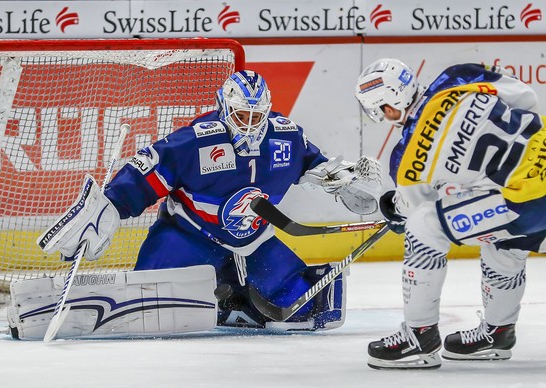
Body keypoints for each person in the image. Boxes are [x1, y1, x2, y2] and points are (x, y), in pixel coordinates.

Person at [29, 70, 382, 337]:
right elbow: (149, 170)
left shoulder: (286, 137)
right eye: (241, 115)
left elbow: (315, 164)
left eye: (256, 116)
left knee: (307, 308)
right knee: (148, 302)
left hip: (253, 241)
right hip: (189, 235)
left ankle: (233, 298)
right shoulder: (197, 141)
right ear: (225, 107)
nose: (249, 125)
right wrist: (112, 205)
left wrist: (346, 181)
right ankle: (222, 290)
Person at [354, 58, 546, 369]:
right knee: (503, 242)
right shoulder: (458, 76)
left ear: (386, 109)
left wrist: (393, 208)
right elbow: (526, 98)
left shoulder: (406, 159)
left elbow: (414, 210)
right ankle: (497, 334)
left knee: (424, 226)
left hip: (529, 202)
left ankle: (419, 337)